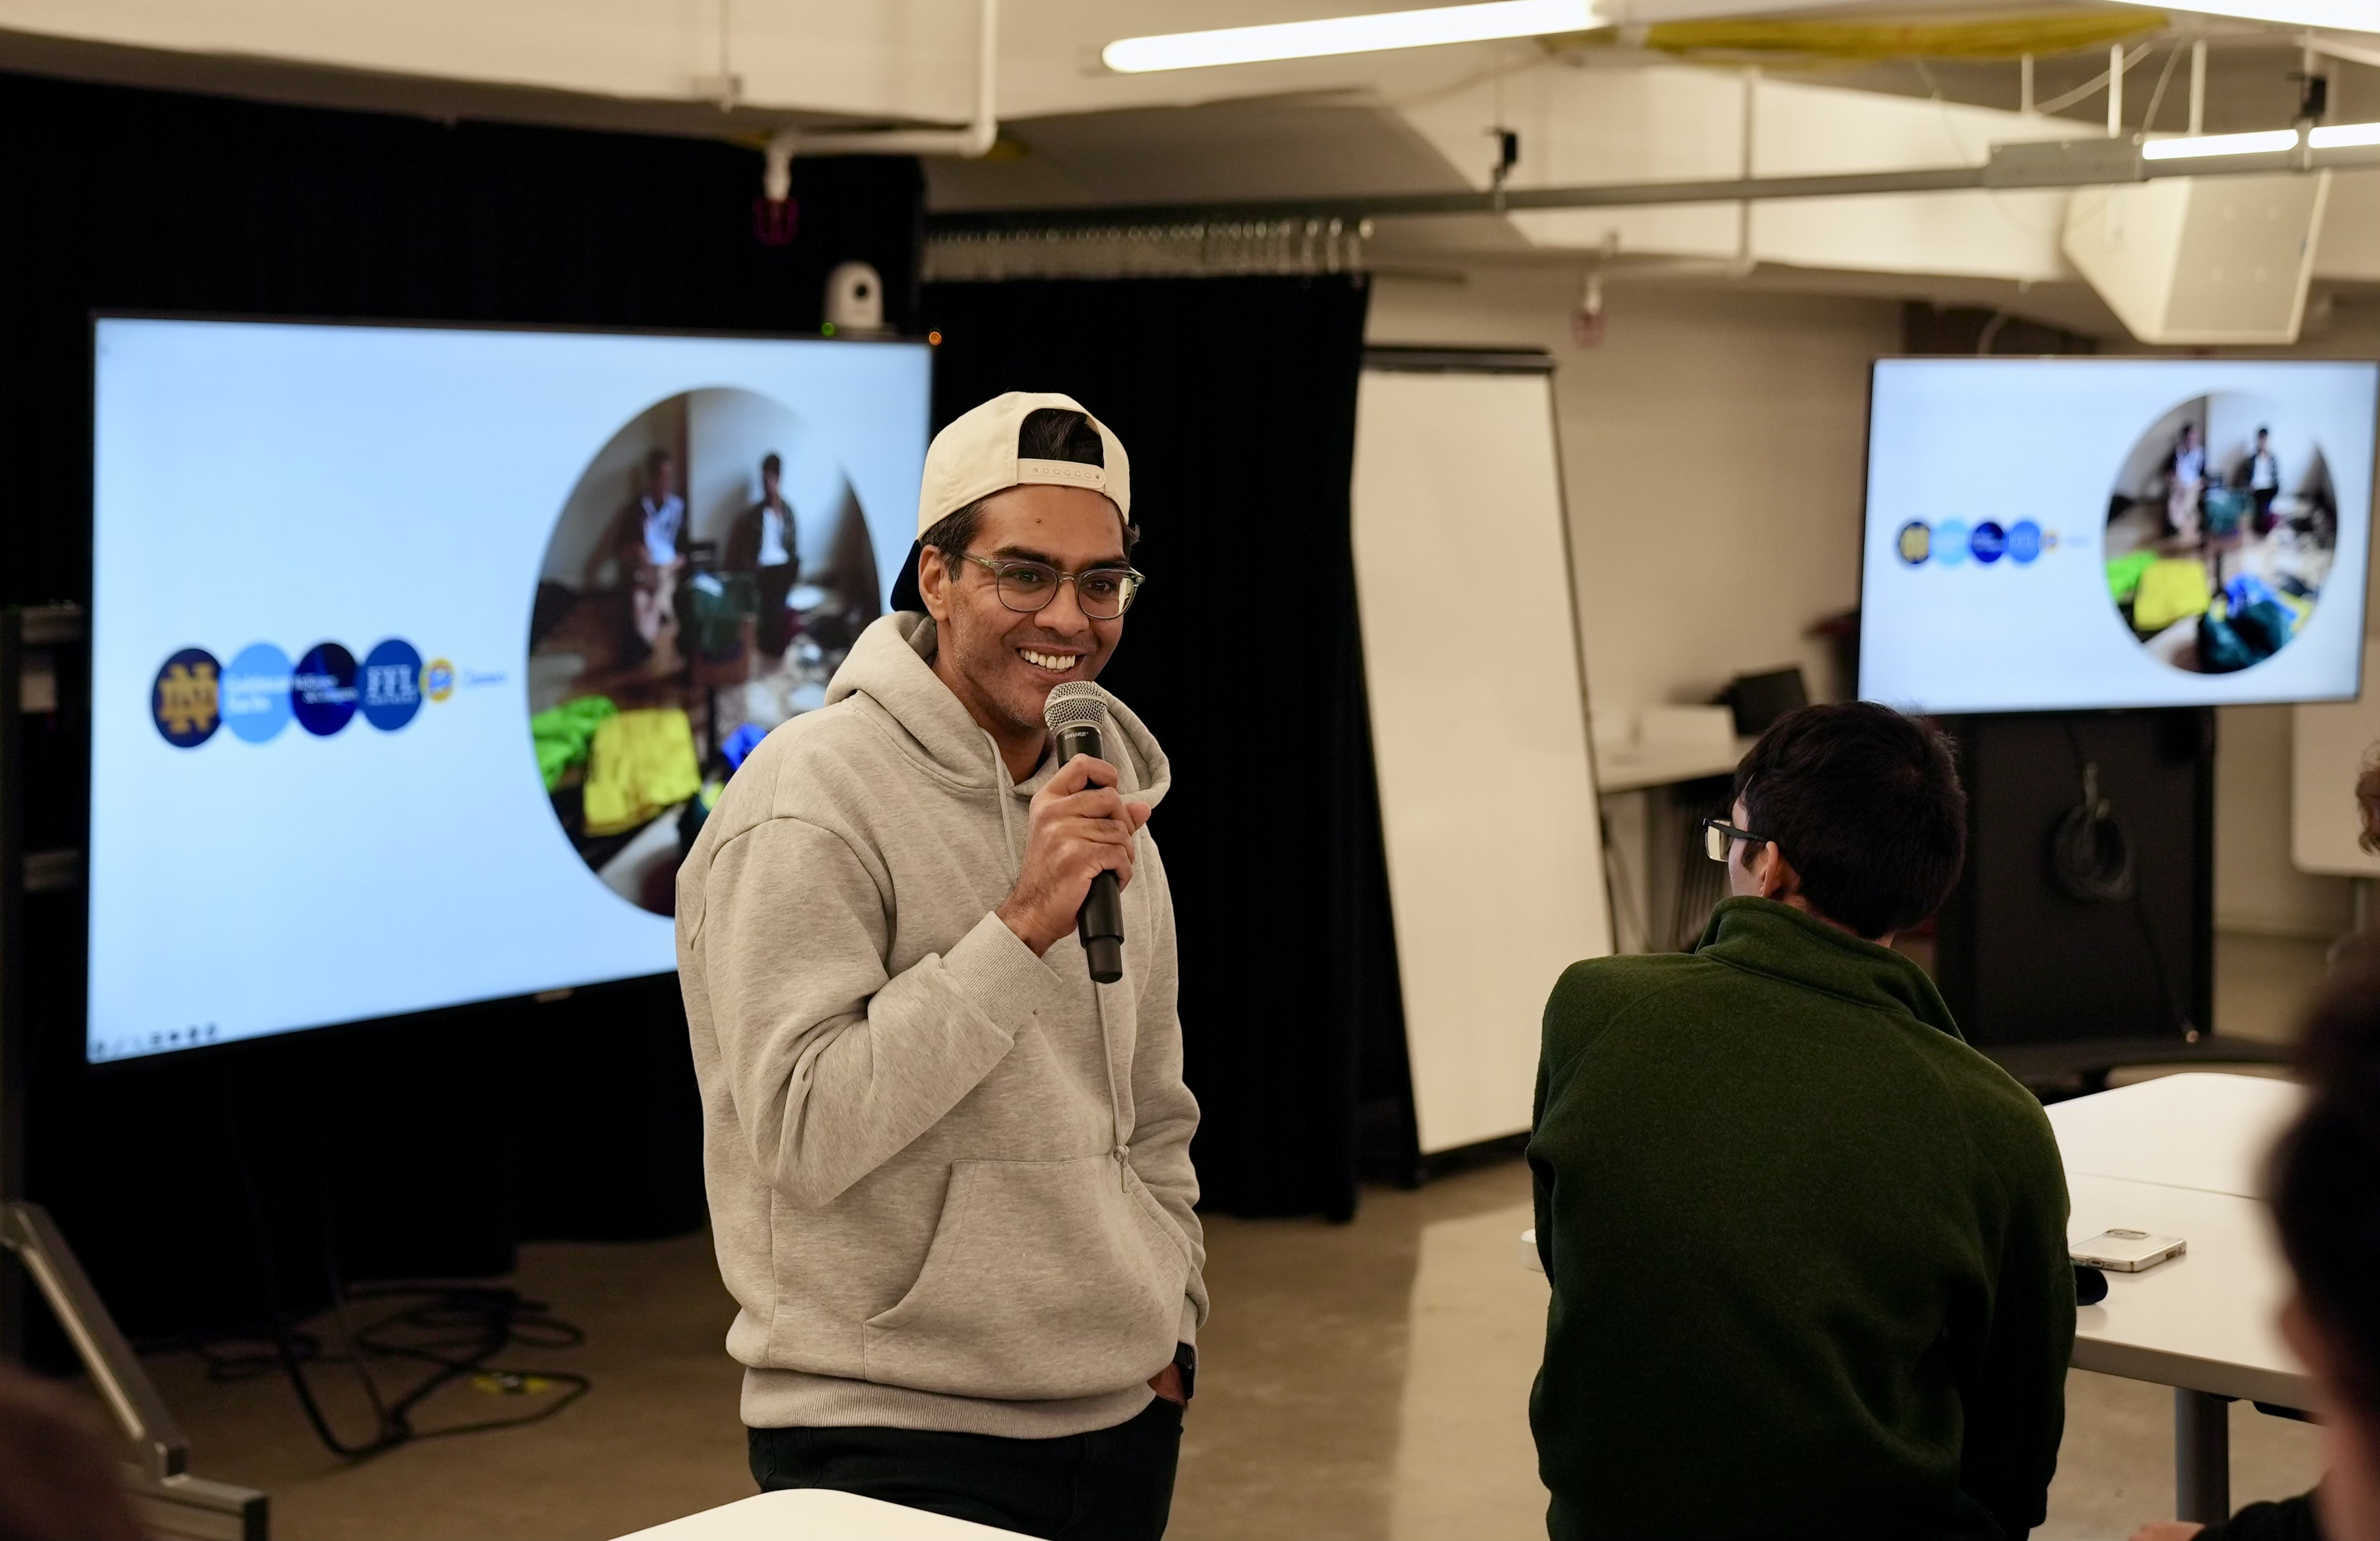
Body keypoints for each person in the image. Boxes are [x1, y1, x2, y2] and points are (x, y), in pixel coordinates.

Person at [676, 392, 1201, 1541]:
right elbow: (804, 1131)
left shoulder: (1102, 795)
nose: (1069, 614)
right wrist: (1016, 927)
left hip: (1120, 1415)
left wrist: (1170, 1325)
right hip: (891, 1430)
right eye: (1025, 573)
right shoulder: (808, 799)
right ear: (936, 577)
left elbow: (1150, 1111)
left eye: (1100, 581)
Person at [1529, 701, 2073, 1541]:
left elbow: (1579, 1262)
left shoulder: (1591, 1006)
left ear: (1771, 866)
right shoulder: (1997, 1124)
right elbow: (2013, 1451)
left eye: (1730, 835)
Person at [727, 451, 801, 656]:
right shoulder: (756, 514)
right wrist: (752, 564)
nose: (766, 485)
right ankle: (775, 639)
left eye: (770, 479)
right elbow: (746, 553)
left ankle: (777, 634)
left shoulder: (788, 512)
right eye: (764, 479)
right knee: (774, 603)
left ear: (779, 479)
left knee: (781, 590)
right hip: (763, 569)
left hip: (783, 568)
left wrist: (792, 563)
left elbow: (794, 549)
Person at [2169, 421, 2208, 541]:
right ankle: (2177, 526)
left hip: (2193, 485)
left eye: (2193, 438)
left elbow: (2204, 474)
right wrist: (2173, 479)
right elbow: (2168, 472)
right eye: (2189, 438)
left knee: (2188, 505)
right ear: (2185, 438)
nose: (2191, 441)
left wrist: (2202, 483)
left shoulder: (2201, 453)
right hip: (2179, 485)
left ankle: (2187, 530)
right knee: (2174, 505)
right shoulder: (2178, 452)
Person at [2243, 427, 2283, 534]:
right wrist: (2249, 486)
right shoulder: (2252, 459)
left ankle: (2263, 524)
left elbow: (2276, 478)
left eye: (2265, 440)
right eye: (2261, 440)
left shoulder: (2273, 458)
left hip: (2269, 488)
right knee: (2261, 504)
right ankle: (2262, 526)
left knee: (2266, 499)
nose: (2263, 442)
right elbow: (2246, 478)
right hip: (2256, 488)